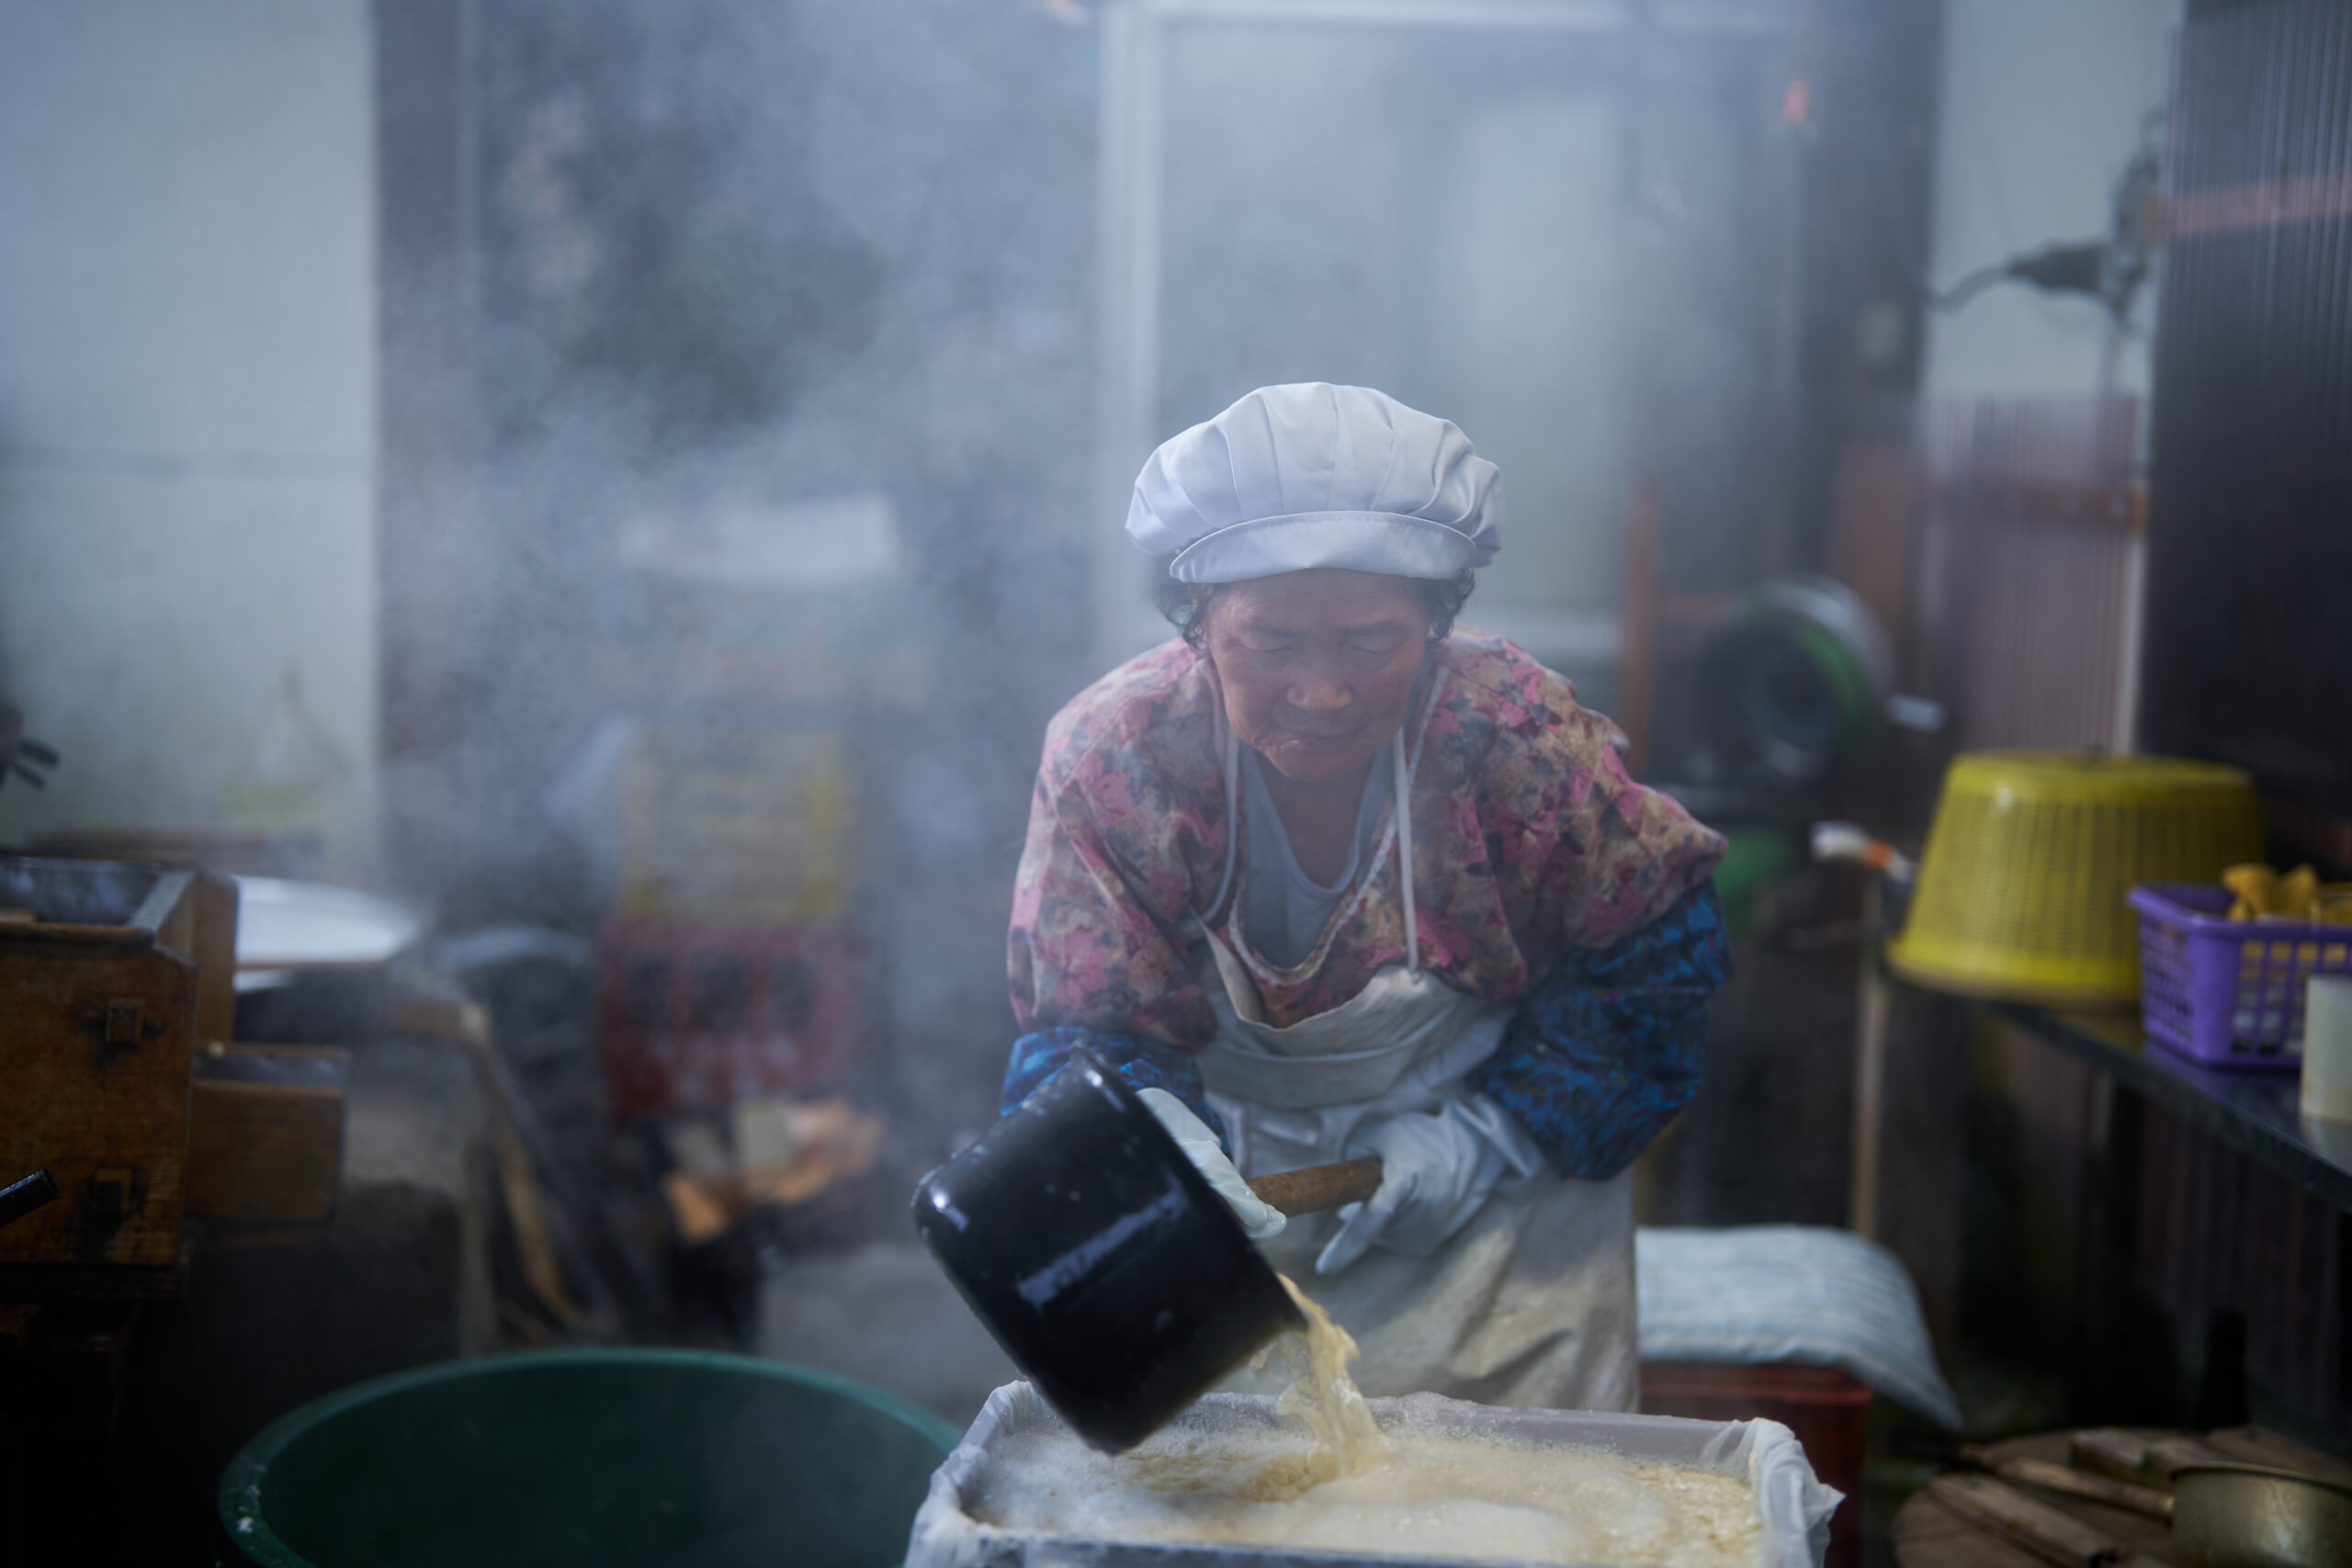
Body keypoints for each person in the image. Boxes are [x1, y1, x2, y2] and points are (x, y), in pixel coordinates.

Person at [1001, 383, 1729, 1413]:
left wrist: (1495, 1137)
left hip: (1495, 1228)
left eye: (1368, 641)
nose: (1323, 691)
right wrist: (1157, 1143)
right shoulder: (1120, 757)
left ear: (1435, 624)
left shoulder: (1513, 739)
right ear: (1198, 623)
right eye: (1272, 642)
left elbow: (1658, 952)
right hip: (1223, 1235)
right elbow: (1082, 1022)